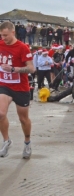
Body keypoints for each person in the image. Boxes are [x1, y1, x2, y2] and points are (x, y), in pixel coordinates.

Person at [0, 21, 36, 158]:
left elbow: (32, 69)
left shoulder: (22, 48)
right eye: (1, 35)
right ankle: (6, 141)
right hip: (4, 85)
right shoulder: (0, 44)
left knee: (23, 119)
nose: (3, 38)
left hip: (21, 87)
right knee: (1, 113)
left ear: (13, 32)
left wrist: (14, 69)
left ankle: (27, 143)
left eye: (6, 35)